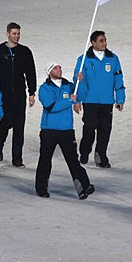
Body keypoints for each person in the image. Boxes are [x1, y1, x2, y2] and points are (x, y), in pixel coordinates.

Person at [35, 61, 95, 199]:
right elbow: (50, 106)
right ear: (50, 72)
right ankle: (41, 188)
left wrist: (80, 80)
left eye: (60, 67)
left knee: (73, 159)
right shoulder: (44, 89)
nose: (59, 70)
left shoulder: (68, 85)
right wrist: (69, 101)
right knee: (45, 160)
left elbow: (81, 95)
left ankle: (83, 186)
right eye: (56, 68)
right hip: (49, 130)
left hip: (66, 130)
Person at [73, 30, 126, 168]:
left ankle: (101, 156)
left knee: (105, 130)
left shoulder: (113, 58)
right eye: (101, 41)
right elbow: (78, 81)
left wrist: (120, 99)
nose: (105, 43)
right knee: (89, 128)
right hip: (90, 100)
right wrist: (77, 100)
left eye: (105, 40)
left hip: (107, 101)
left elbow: (118, 79)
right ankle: (84, 152)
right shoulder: (83, 59)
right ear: (93, 43)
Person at [0, 22, 38, 167]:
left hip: (19, 94)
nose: (16, 36)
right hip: (3, 94)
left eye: (18, 34)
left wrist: (31, 91)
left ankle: (17, 158)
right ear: (8, 34)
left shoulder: (24, 51)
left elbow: (30, 72)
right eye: (14, 34)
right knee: (5, 123)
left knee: (19, 126)